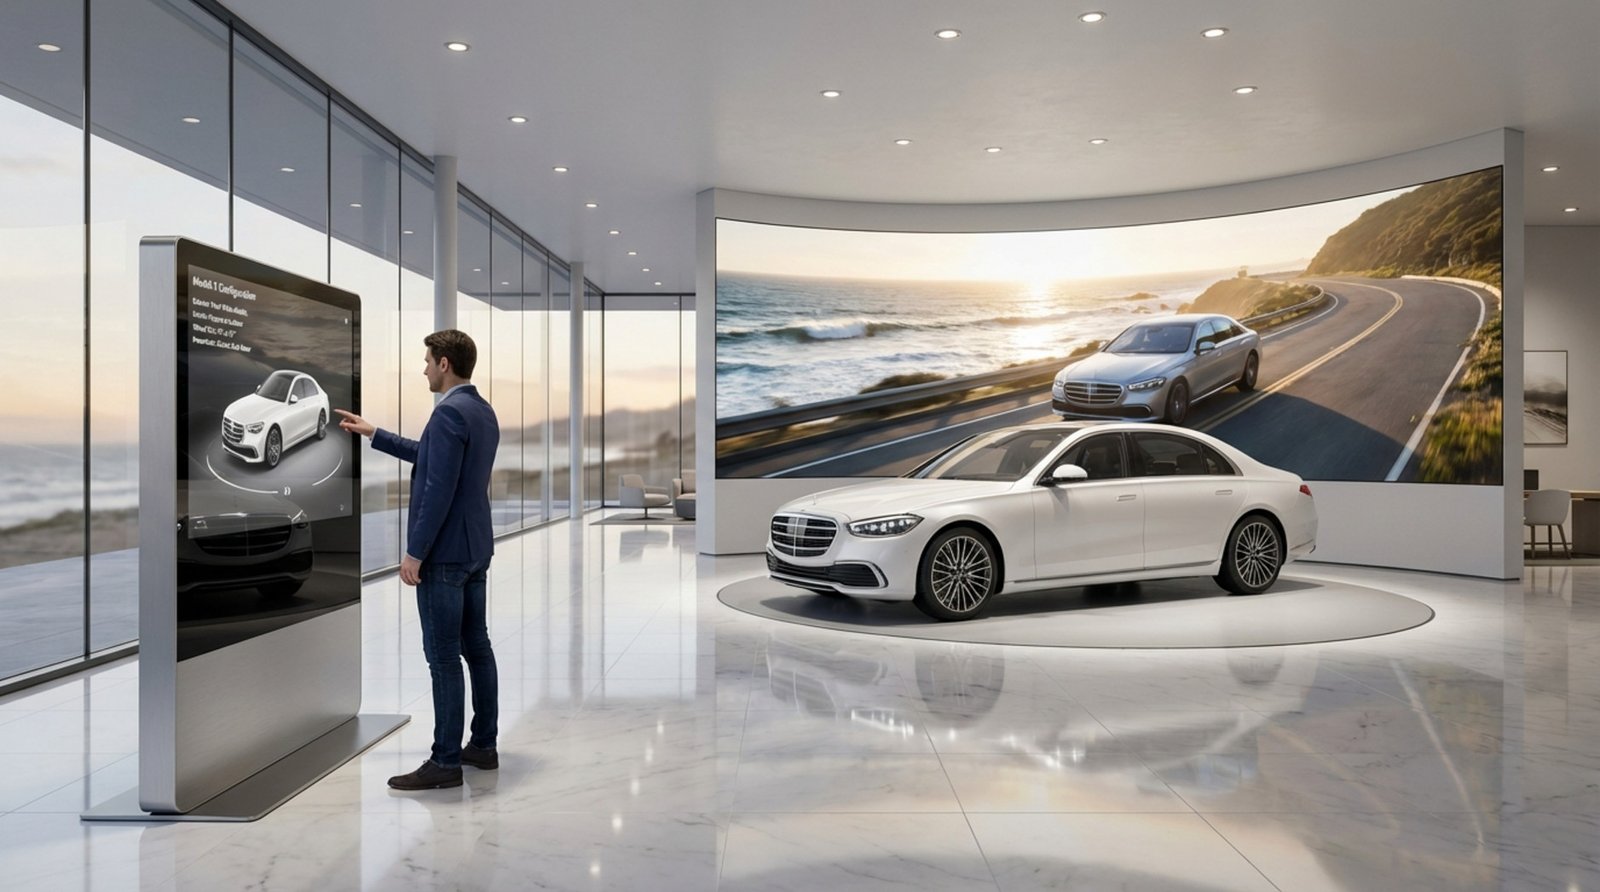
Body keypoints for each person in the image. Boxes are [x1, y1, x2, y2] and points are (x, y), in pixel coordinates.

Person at [335, 329, 500, 791]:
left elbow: (436, 489)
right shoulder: (481, 410)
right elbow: (434, 460)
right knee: (477, 648)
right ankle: (483, 747)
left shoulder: (448, 413)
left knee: (444, 658)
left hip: (445, 556)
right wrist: (375, 434)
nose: (424, 368)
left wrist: (415, 553)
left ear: (445, 363)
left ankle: (445, 761)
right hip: (475, 549)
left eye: (428, 360)